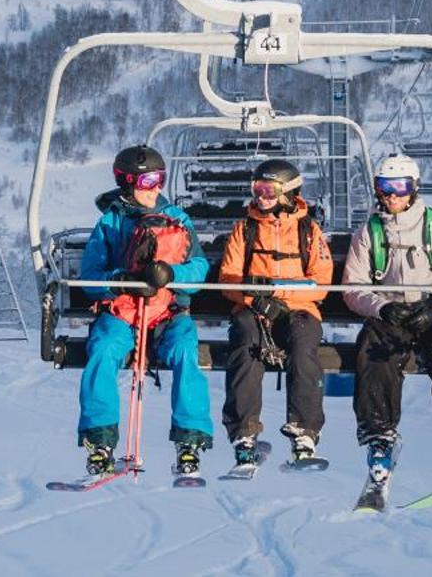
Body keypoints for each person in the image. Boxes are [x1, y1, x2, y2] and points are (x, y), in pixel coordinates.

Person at [340, 152, 432, 484]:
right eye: (385, 187)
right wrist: (381, 307)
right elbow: (352, 286)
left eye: (400, 186)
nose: (392, 195)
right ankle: (380, 438)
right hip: (390, 315)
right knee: (374, 351)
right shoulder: (370, 232)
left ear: (413, 188)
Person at [76, 144, 215, 476]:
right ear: (127, 182)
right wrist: (117, 281)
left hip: (167, 313)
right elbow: (89, 278)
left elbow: (198, 269)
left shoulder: (177, 220)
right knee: (104, 348)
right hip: (124, 312)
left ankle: (190, 440)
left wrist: (172, 275)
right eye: (147, 180)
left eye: (159, 179)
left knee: (184, 349)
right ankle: (101, 441)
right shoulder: (110, 223)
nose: (154, 188)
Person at [216, 157, 335, 468]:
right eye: (257, 189)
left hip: (298, 311)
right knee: (245, 346)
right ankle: (244, 433)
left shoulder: (309, 231)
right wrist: (254, 298)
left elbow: (321, 283)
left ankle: (304, 431)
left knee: (303, 347)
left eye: (269, 190)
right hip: (253, 310)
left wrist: (278, 294)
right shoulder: (245, 229)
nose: (261, 197)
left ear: (289, 192)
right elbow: (227, 279)